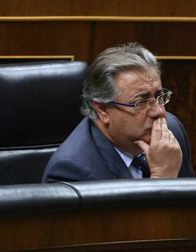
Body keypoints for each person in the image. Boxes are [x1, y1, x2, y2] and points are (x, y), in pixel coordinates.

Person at [42, 42, 194, 182]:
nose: (159, 112)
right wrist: (162, 180)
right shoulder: (72, 172)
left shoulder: (171, 133)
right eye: (140, 102)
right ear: (102, 110)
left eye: (159, 96)